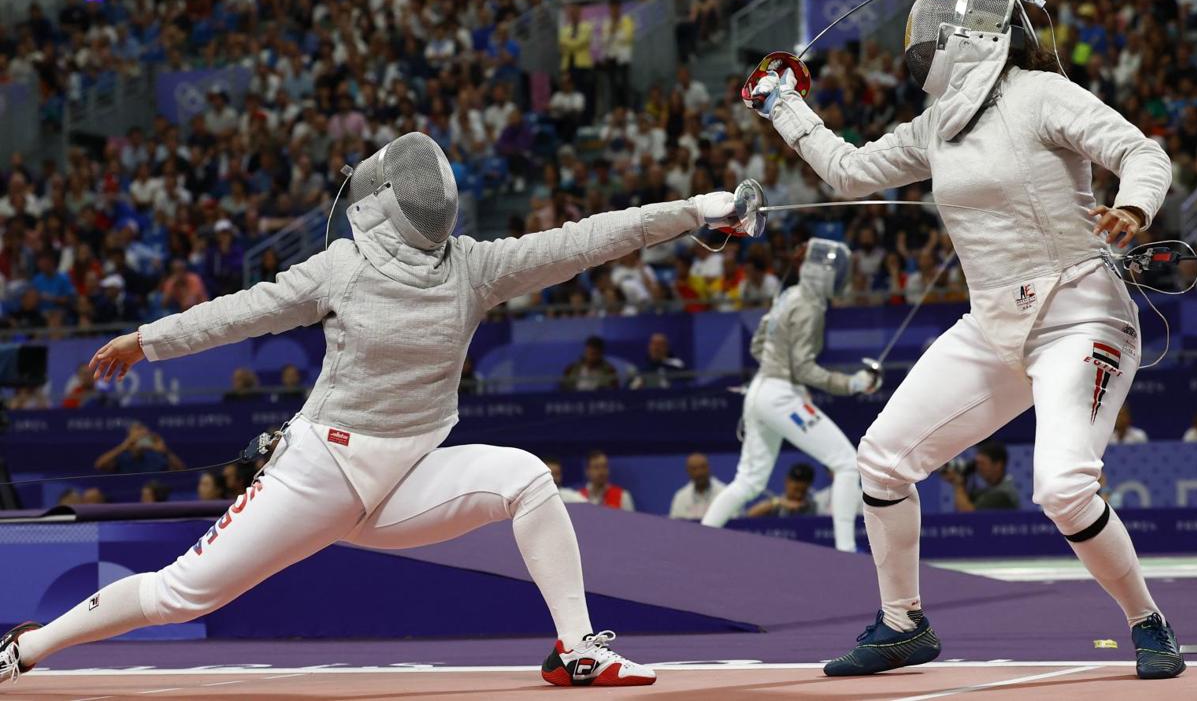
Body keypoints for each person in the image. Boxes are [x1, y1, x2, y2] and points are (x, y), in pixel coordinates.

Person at [0, 132, 743, 688]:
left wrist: (691, 213)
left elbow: (586, 239)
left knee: (526, 478)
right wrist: (146, 341)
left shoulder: (474, 268)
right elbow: (244, 311)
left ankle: (576, 647)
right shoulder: (346, 269)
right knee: (178, 592)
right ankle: (26, 647)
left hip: (406, 475)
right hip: (320, 471)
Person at [747, 0, 1182, 679]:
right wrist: (785, 106)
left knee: (1063, 488)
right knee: (881, 460)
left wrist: (1132, 209)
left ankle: (1148, 620)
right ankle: (901, 623)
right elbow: (850, 171)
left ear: (969, 33)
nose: (920, 40)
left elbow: (1143, 153)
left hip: (1080, 311)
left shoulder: (1039, 94)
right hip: (993, 326)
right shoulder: (937, 124)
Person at [701, 240, 876, 554]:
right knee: (848, 464)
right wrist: (851, 384)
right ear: (822, 273)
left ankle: (697, 544)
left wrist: (784, 375)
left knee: (749, 482)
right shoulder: (810, 307)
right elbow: (805, 368)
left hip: (759, 391)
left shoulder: (788, 295)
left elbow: (758, 345)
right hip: (779, 397)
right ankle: (846, 552)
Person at [940, 440, 1020, 512]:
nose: (978, 468)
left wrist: (957, 484)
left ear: (998, 465)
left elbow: (968, 516)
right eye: (977, 463)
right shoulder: (988, 490)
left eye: (982, 463)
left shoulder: (1003, 493)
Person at [93, 423, 185, 474]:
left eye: (144, 436)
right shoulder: (122, 457)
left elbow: (181, 471)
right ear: (129, 437)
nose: (140, 440)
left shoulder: (156, 457)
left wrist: (166, 452)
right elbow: (99, 465)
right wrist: (122, 448)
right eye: (137, 436)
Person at [668, 453, 725, 521]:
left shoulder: (724, 493)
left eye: (702, 467)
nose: (699, 473)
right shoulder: (681, 497)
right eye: (694, 469)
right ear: (688, 471)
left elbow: (733, 523)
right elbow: (675, 525)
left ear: (709, 468)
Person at [747, 463, 816, 518]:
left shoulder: (813, 505)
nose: (798, 495)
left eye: (803, 491)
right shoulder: (777, 504)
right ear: (787, 482)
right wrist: (779, 503)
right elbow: (749, 515)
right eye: (796, 490)